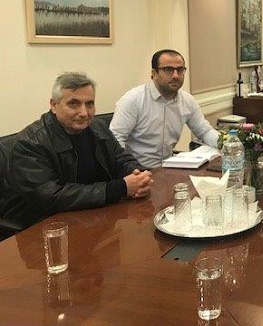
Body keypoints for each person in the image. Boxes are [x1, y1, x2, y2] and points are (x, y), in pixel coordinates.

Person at [1, 72, 153, 229]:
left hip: (93, 216)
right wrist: (120, 188)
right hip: (45, 227)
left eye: (89, 104)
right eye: (74, 104)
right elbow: (51, 197)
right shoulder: (29, 144)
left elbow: (121, 158)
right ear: (54, 105)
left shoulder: (97, 127)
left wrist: (139, 176)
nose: (84, 113)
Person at [110, 49, 219, 168]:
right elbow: (115, 141)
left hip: (170, 167)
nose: (176, 75)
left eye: (180, 70)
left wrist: (226, 143)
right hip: (138, 170)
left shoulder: (188, 101)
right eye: (168, 70)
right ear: (154, 73)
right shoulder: (133, 100)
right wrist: (129, 170)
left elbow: (204, 131)